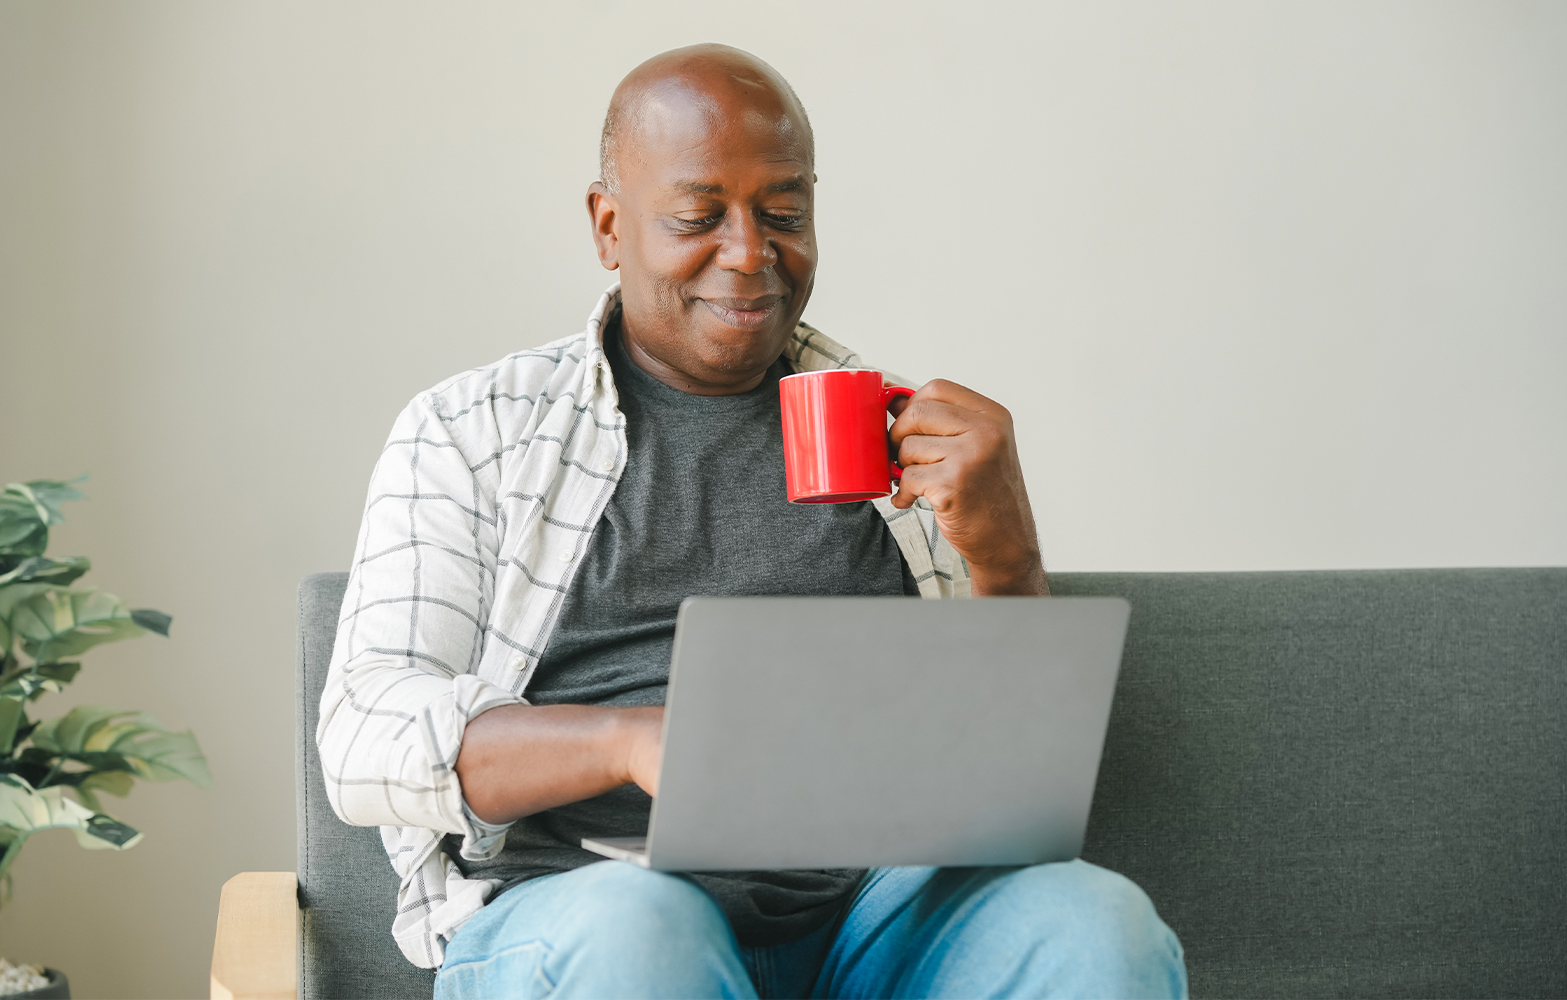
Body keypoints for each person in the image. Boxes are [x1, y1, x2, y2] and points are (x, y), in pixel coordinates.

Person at [318, 42, 1186, 1000]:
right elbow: (364, 736)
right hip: (585, 911)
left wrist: (1008, 552)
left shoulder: (901, 439)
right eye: (698, 216)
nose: (749, 253)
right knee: (644, 928)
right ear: (609, 227)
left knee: (1092, 922)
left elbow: (1020, 787)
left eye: (785, 215)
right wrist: (632, 741)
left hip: (867, 920)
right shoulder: (476, 430)